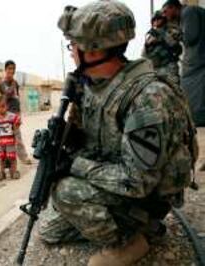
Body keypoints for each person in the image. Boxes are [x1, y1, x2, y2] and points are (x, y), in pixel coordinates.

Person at [39, 1, 198, 265]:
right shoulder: (95, 84)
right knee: (51, 230)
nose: (72, 53)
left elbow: (138, 182)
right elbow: (93, 138)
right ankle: (136, 228)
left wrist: (76, 165)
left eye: (74, 46)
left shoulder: (147, 97)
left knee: (66, 193)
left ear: (92, 50)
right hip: (116, 173)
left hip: (146, 194)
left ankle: (128, 241)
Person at [163, 0, 205, 126]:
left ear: (173, 7)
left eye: (166, 11)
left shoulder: (188, 12)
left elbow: (190, 37)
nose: (165, 15)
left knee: (191, 88)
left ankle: (198, 118)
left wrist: (177, 35)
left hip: (198, 61)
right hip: (198, 59)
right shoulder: (189, 12)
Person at [0, 60, 32, 165]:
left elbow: (17, 98)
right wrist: (12, 83)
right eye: (9, 68)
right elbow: (7, 94)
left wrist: (19, 114)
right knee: (7, 138)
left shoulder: (15, 83)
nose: (11, 71)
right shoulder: (3, 83)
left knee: (18, 137)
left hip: (15, 114)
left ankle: (24, 157)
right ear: (5, 70)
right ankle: (8, 160)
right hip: (7, 114)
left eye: (13, 69)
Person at [142, 10, 182, 87]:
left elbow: (174, 44)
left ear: (163, 19)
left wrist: (161, 37)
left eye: (158, 19)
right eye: (154, 20)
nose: (156, 21)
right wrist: (147, 45)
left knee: (174, 90)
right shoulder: (150, 35)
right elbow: (144, 55)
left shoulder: (171, 30)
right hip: (155, 68)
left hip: (169, 66)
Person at [0, 97, 21, 181]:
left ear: (7, 106)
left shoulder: (11, 116)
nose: (0, 109)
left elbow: (18, 121)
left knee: (12, 157)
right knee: (2, 158)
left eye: (3, 106)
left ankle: (14, 171)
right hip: (1, 142)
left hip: (10, 141)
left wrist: (15, 130)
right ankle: (2, 172)